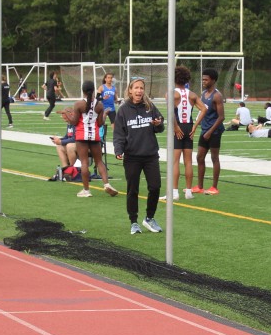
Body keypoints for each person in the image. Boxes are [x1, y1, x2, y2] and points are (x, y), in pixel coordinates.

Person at [113, 77, 165, 234]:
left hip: (150, 155)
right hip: (132, 157)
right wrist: (118, 150)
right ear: (130, 90)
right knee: (133, 189)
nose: (139, 90)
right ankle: (134, 222)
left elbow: (160, 126)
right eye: (136, 87)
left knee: (155, 187)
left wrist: (158, 124)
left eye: (141, 88)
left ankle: (149, 218)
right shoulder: (123, 110)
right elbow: (119, 133)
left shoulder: (150, 106)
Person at [166, 66, 207, 201]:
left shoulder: (171, 94)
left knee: (175, 161)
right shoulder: (192, 94)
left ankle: (175, 192)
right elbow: (204, 109)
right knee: (188, 161)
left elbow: (170, 112)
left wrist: (176, 127)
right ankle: (188, 192)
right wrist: (195, 126)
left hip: (177, 126)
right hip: (188, 126)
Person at [72, 80, 118, 198]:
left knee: (84, 162)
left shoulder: (78, 104)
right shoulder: (100, 105)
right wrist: (105, 115)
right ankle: (106, 184)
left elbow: (74, 122)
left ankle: (86, 190)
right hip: (94, 136)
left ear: (83, 90)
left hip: (81, 136)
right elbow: (100, 123)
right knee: (99, 161)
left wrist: (66, 115)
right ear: (93, 90)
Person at [193, 68, 226, 195]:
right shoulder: (203, 94)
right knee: (199, 157)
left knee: (214, 158)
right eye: (203, 79)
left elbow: (221, 117)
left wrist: (210, 132)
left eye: (206, 80)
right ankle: (200, 186)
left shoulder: (217, 96)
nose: (203, 81)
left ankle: (214, 187)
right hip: (205, 130)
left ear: (213, 80)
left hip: (214, 131)